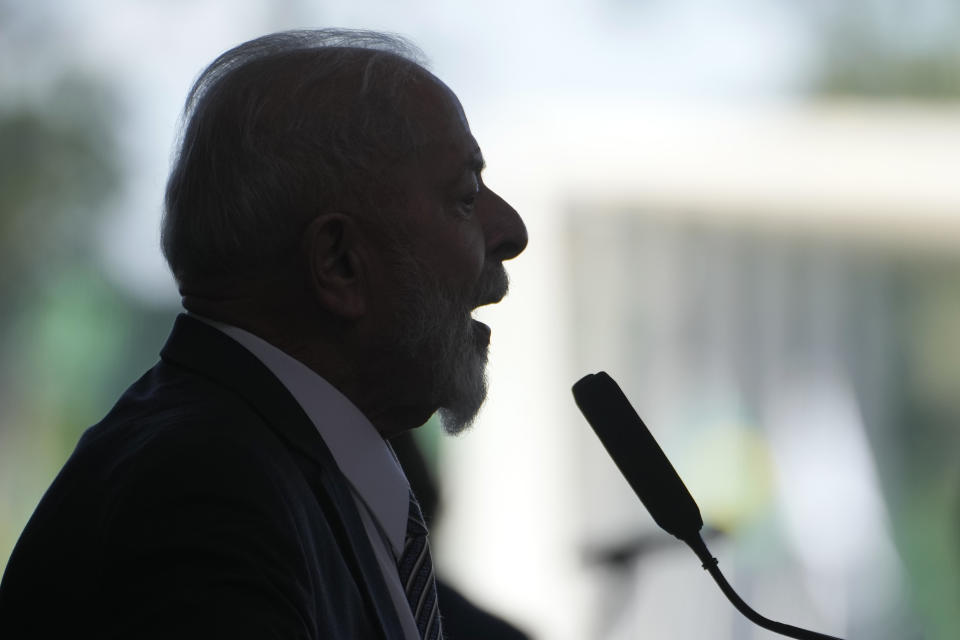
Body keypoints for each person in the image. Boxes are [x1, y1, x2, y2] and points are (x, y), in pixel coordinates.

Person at [0, 29, 528, 639]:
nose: (510, 230)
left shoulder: (257, 465)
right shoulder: (203, 499)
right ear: (339, 263)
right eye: (464, 198)